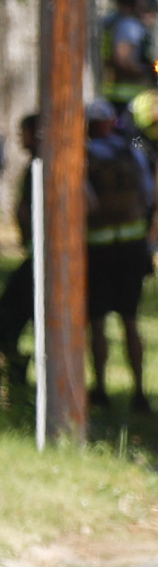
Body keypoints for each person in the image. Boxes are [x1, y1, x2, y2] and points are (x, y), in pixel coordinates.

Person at [85, 100, 154, 415]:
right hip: (131, 249)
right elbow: (147, 195)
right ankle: (139, 393)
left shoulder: (81, 157)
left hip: (97, 250)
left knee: (97, 323)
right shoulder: (131, 153)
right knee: (130, 321)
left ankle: (100, 389)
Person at [0, 116, 34, 400]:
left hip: (40, 260)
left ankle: (17, 377)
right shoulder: (34, 166)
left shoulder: (41, 167)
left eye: (25, 133)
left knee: (8, 320)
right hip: (35, 256)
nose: (21, 140)